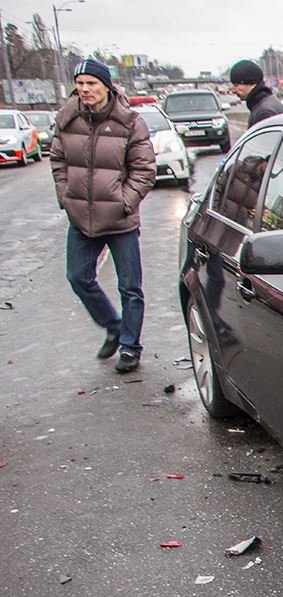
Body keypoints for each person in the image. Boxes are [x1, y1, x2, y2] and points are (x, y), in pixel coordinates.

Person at [50, 58, 156, 373]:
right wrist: (65, 196)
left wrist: (125, 202)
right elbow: (57, 159)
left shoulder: (130, 122)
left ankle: (129, 347)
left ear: (106, 86)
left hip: (120, 221)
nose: (84, 89)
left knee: (130, 287)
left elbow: (144, 170)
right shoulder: (67, 118)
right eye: (80, 83)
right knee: (78, 277)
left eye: (91, 83)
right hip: (81, 217)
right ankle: (113, 325)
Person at [229, 60, 283, 127]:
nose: (233, 90)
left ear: (251, 82)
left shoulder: (264, 113)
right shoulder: (267, 102)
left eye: (236, 85)